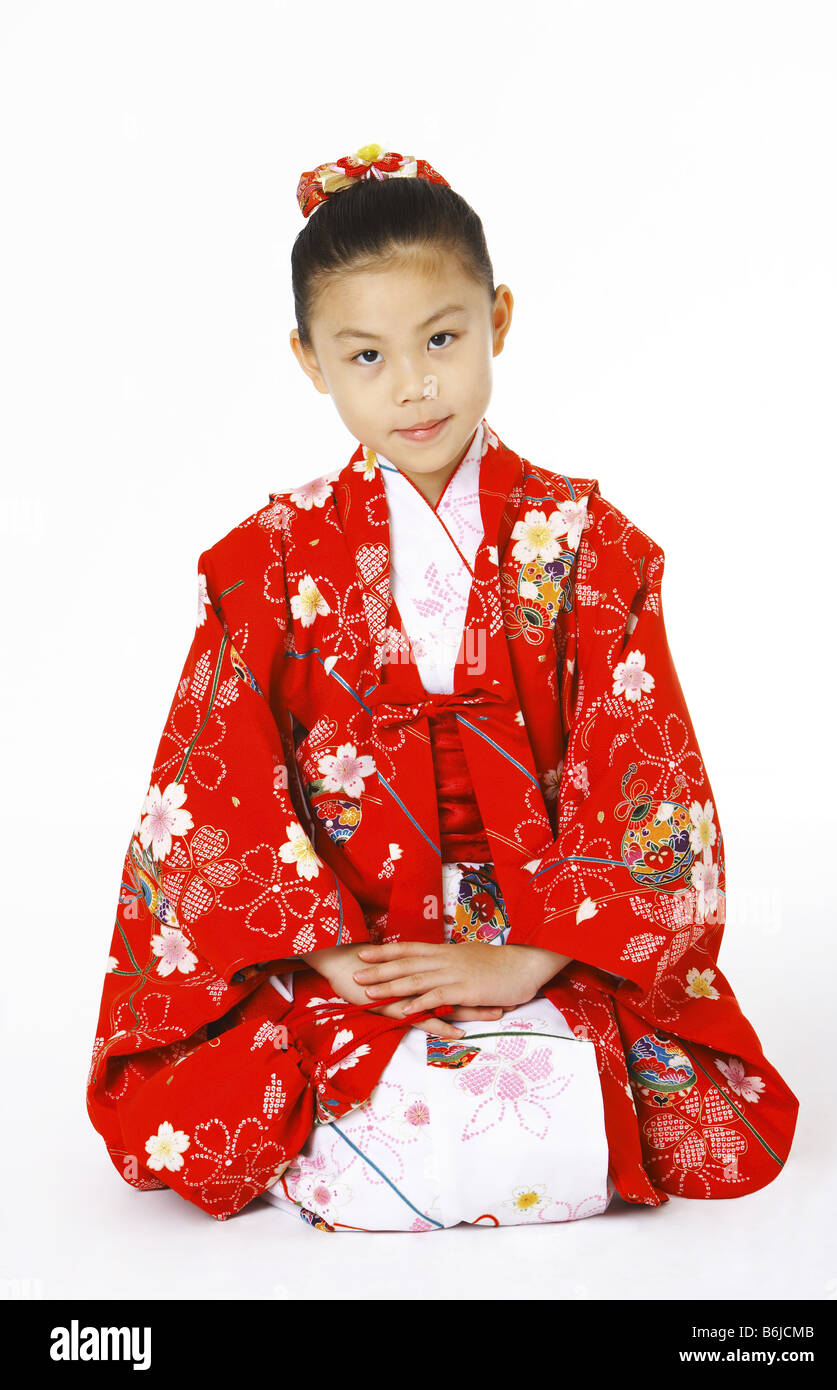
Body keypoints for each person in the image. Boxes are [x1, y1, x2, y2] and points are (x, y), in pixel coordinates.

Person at [86, 144, 799, 1230]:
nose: (413, 384)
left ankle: (462, 1119)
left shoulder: (589, 550)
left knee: (618, 1097)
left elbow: (646, 779)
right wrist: (326, 948)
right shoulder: (266, 565)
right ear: (308, 359)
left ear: (498, 318)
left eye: (443, 338)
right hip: (355, 943)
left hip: (541, 936)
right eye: (364, 354)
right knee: (237, 1099)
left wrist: (532, 956)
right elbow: (215, 788)